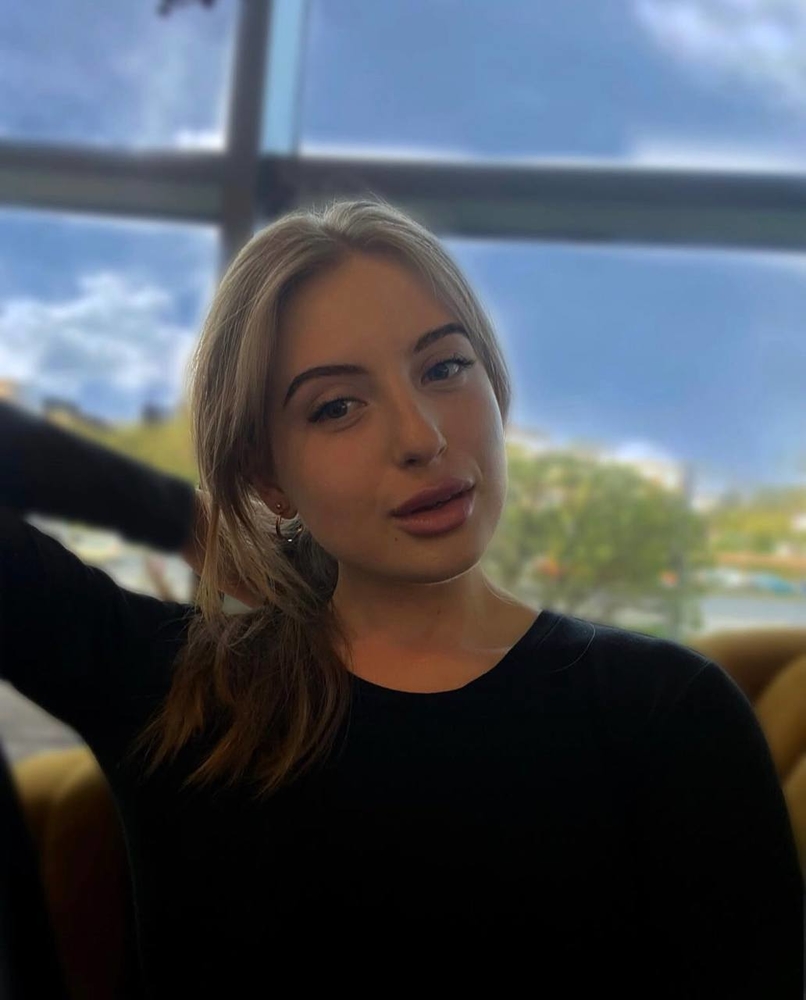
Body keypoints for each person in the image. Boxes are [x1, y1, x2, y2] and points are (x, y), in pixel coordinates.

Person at [0, 198, 802, 997]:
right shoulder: (172, 692)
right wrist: (185, 519)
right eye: (337, 406)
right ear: (266, 475)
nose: (422, 438)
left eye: (445, 367)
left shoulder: (671, 715)